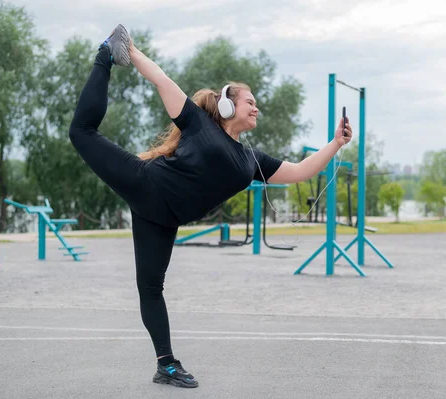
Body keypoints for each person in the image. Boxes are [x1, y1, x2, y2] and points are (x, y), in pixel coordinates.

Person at [69, 24, 353, 389]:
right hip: (145, 182)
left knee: (151, 289)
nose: (257, 108)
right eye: (251, 101)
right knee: (82, 133)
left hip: (160, 218)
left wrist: (334, 143)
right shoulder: (197, 122)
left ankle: (165, 365)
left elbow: (299, 171)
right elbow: (162, 79)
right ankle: (104, 56)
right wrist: (127, 49)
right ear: (227, 103)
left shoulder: (252, 159)